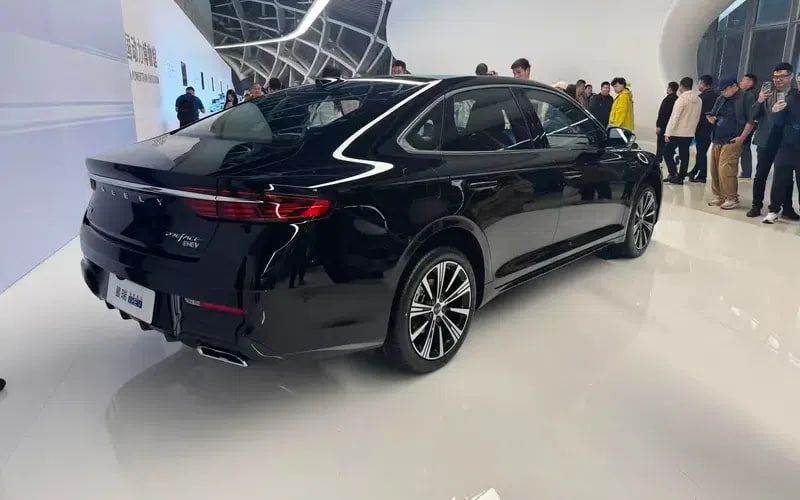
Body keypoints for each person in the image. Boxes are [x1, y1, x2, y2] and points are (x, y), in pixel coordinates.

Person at [751, 62, 798, 219]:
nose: (778, 80)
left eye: (782, 76)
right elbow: (752, 116)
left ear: (790, 77)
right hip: (766, 140)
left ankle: (787, 208)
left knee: (785, 178)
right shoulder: (766, 94)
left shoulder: (796, 95)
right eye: (775, 77)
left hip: (785, 144)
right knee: (760, 175)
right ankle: (756, 205)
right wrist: (759, 101)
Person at [706, 76, 756, 210]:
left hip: (733, 139)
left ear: (734, 86)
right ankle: (719, 196)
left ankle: (731, 197)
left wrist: (742, 137)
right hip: (717, 137)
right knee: (715, 169)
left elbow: (751, 120)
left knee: (726, 169)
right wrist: (711, 118)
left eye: (725, 89)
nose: (723, 92)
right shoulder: (721, 98)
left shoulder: (746, 97)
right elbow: (713, 114)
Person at [763, 71, 800, 224]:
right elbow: (778, 122)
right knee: (779, 180)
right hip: (786, 146)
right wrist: (775, 112)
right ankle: (773, 210)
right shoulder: (790, 98)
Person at [663, 77, 702, 184]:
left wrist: (668, 133)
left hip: (677, 132)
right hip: (689, 133)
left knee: (666, 152)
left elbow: (675, 117)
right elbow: (697, 117)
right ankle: (681, 177)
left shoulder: (681, 99)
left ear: (681, 86)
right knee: (685, 155)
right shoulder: (698, 100)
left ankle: (672, 173)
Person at [688, 75, 719, 183]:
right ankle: (694, 171)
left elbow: (696, 115)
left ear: (702, 83)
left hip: (702, 128)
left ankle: (702, 176)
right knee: (702, 151)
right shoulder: (718, 96)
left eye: (699, 83)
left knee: (701, 152)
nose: (698, 85)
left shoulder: (700, 98)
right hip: (714, 127)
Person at [739, 73, 759, 178]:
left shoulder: (749, 95)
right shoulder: (755, 93)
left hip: (748, 124)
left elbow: (749, 113)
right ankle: (746, 171)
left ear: (750, 82)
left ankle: (746, 172)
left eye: (744, 80)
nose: (741, 82)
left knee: (744, 146)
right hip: (752, 123)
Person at [655, 81, 679, 165]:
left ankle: (658, 160)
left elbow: (662, 113)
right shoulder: (677, 99)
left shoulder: (667, 99)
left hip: (664, 126)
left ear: (670, 89)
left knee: (661, 144)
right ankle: (674, 156)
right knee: (670, 143)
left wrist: (658, 125)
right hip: (673, 126)